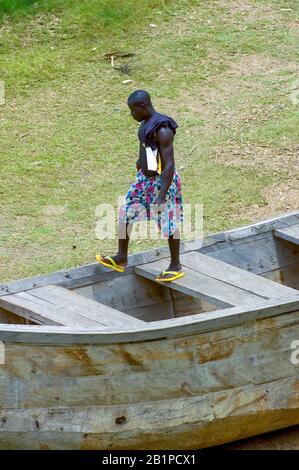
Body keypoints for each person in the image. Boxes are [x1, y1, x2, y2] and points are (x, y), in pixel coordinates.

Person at [96, 90, 184, 282]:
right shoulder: (145, 125)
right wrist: (140, 162)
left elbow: (169, 165)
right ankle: (121, 258)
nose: (131, 115)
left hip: (163, 182)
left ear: (142, 107)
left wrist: (162, 195)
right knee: (125, 211)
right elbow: (147, 148)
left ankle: (175, 265)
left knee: (167, 221)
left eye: (132, 110)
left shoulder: (162, 130)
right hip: (145, 179)